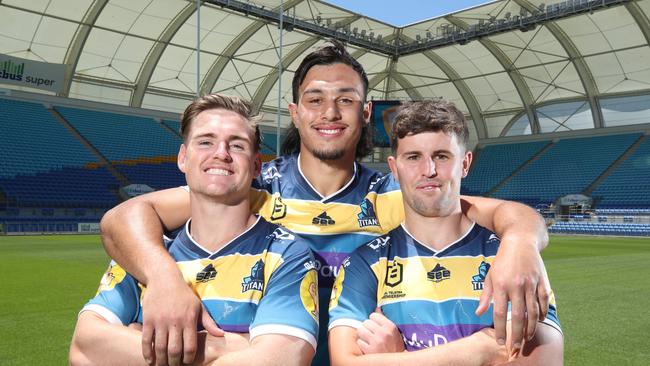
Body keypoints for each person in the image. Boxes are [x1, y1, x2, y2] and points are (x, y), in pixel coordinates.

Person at [100, 41, 551, 366]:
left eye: (345, 100)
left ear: (366, 112)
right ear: (296, 113)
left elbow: (500, 214)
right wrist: (163, 279)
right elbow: (125, 216)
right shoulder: (257, 187)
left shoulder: (394, 194)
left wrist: (522, 244)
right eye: (315, 99)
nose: (330, 113)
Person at [70, 94, 318, 366]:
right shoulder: (147, 249)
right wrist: (219, 347)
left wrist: (139, 343)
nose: (221, 153)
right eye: (205, 142)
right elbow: (83, 351)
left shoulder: (287, 254)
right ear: (183, 158)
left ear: (256, 166)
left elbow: (281, 361)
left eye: (236, 145)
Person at [328, 99, 563, 365]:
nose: (428, 171)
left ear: (465, 163)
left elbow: (542, 361)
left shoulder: (511, 258)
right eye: (413, 157)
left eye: (441, 156)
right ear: (394, 168)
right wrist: (482, 349)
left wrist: (399, 357)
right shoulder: (364, 264)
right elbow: (344, 362)